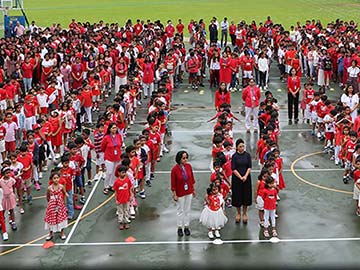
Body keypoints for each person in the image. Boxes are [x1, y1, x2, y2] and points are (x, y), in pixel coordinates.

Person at [171, 150, 196, 237]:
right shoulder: (174, 170)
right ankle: (179, 227)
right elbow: (173, 183)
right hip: (180, 192)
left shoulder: (188, 166)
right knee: (180, 210)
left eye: (186, 158)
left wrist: (193, 190)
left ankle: (186, 226)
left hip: (188, 191)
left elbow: (191, 179)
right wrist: (174, 194)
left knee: (187, 210)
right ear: (179, 159)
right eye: (183, 158)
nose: (185, 160)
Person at [231, 138, 252, 224]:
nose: (242, 148)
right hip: (237, 179)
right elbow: (233, 169)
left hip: (246, 178)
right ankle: (238, 213)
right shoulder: (234, 157)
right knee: (237, 196)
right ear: (237, 147)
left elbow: (249, 167)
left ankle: (245, 213)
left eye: (243, 146)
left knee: (246, 196)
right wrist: (240, 177)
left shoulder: (247, 155)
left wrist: (245, 176)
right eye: (240, 146)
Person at [45, 172, 68, 241]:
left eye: (57, 178)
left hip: (60, 204)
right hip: (52, 205)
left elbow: (64, 193)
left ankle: (62, 233)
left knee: (61, 218)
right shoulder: (49, 188)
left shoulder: (61, 186)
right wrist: (51, 203)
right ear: (51, 179)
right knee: (51, 219)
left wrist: (63, 202)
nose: (56, 179)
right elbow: (47, 197)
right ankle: (50, 233)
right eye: (54, 178)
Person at [101, 122, 123, 194]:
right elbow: (102, 147)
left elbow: (120, 144)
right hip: (109, 157)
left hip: (117, 157)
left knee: (115, 172)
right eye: (113, 128)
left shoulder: (119, 136)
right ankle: (105, 186)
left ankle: (111, 184)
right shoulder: (106, 137)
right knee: (109, 172)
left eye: (115, 128)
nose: (114, 129)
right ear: (110, 129)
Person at [113, 165, 133, 230]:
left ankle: (126, 222)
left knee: (126, 210)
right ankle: (121, 222)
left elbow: (130, 188)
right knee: (120, 211)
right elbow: (115, 191)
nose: (123, 174)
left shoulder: (127, 180)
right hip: (120, 200)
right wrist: (116, 199)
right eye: (122, 172)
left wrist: (131, 196)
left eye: (124, 172)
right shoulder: (117, 182)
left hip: (127, 199)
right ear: (118, 173)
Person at [0, 167, 17, 231]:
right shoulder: (0, 181)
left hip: (10, 196)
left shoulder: (12, 180)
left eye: (9, 173)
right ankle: (2, 222)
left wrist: (14, 195)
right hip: (3, 197)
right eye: (6, 173)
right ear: (3, 174)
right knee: (3, 211)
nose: (8, 174)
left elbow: (13, 187)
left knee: (11, 210)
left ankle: (13, 222)